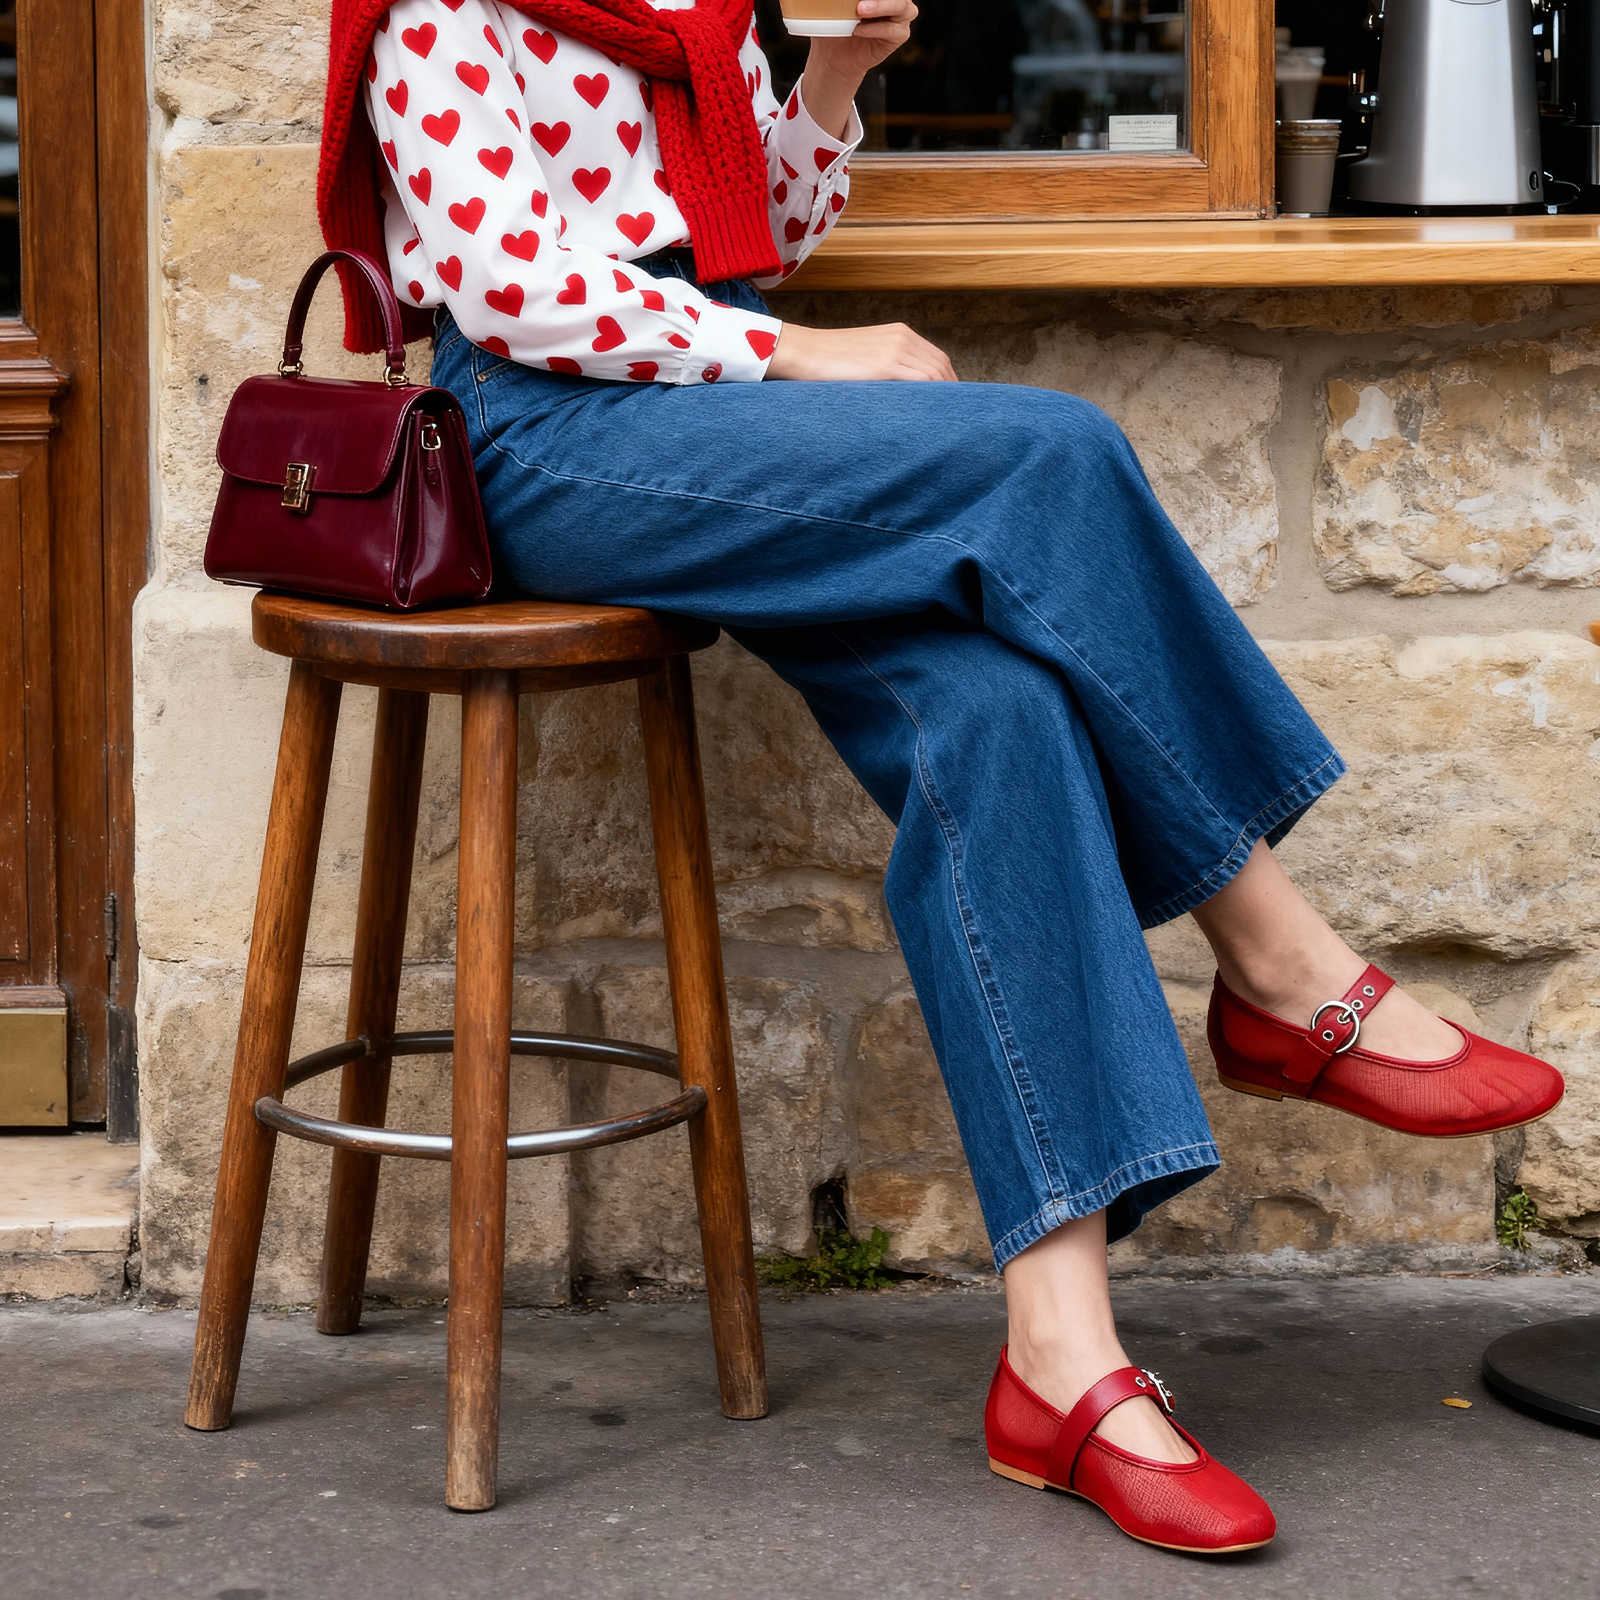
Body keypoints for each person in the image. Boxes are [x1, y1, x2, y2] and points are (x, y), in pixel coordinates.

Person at [318, 0, 1564, 1554]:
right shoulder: (443, 10)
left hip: (707, 419)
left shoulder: (680, 11)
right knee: (1045, 455)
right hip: (548, 435)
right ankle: (1278, 958)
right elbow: (514, 285)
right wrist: (795, 354)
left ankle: (1065, 1358)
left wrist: (834, 75)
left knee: (999, 712)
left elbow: (747, 231)